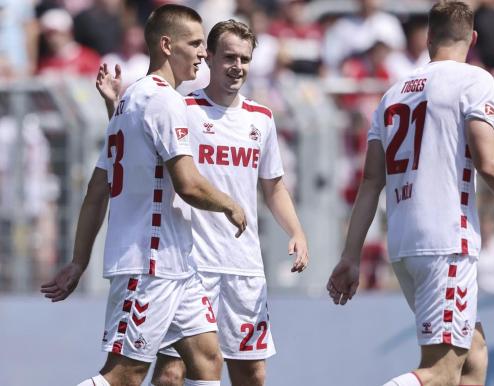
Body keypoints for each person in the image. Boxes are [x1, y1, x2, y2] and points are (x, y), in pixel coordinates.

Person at [326, 2, 494, 386]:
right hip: (445, 240)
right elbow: (489, 163)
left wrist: (351, 256)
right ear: (473, 39)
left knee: (474, 356)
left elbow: (371, 182)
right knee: (441, 371)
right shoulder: (474, 80)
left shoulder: (391, 94)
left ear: (429, 37)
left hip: (404, 243)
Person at [41, 5, 248, 386]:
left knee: (206, 361)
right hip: (149, 263)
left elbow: (98, 188)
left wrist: (79, 260)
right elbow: (187, 184)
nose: (204, 53)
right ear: (167, 45)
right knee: (124, 375)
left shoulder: (129, 100)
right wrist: (229, 203)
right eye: (196, 43)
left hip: (177, 265)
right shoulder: (164, 101)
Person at [97, 19, 309, 386]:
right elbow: (140, 150)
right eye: (228, 57)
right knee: (172, 371)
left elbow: (273, 186)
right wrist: (115, 108)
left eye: (244, 59)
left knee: (252, 373)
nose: (236, 66)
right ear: (208, 57)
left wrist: (297, 232)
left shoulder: (261, 118)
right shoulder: (183, 107)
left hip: (243, 265)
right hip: (192, 263)